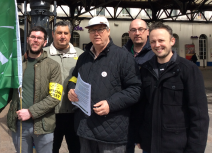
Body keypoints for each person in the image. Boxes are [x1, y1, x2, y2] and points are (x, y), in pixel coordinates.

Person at [0, 26, 62, 153]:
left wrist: (31, 112)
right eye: (33, 37)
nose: (35, 40)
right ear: (27, 39)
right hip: (20, 126)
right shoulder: (16, 65)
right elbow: (6, 94)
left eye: (39, 38)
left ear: (45, 42)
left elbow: (54, 97)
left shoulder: (53, 66)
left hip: (44, 125)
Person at [67, 16, 141, 153]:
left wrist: (110, 104)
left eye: (100, 29)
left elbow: (135, 89)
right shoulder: (83, 58)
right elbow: (74, 78)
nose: (96, 33)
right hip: (85, 128)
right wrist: (71, 89)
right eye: (92, 30)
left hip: (111, 132)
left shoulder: (123, 57)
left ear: (108, 31)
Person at [135, 22, 209, 153]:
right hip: (150, 145)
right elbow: (141, 107)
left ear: (172, 41)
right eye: (153, 42)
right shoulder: (146, 70)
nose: (157, 45)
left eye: (161, 40)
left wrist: (195, 149)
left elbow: (199, 115)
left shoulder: (188, 70)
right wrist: (139, 135)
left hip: (177, 147)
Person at [43, 21, 83, 153]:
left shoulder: (81, 55)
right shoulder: (43, 54)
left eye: (66, 33)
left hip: (75, 114)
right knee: (50, 149)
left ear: (70, 35)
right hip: (51, 114)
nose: (62, 36)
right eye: (59, 33)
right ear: (53, 35)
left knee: (76, 149)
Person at [124, 19, 155, 153]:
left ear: (147, 32)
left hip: (148, 113)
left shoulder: (155, 53)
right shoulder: (122, 53)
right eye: (133, 30)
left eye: (141, 29)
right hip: (126, 113)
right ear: (129, 33)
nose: (137, 33)